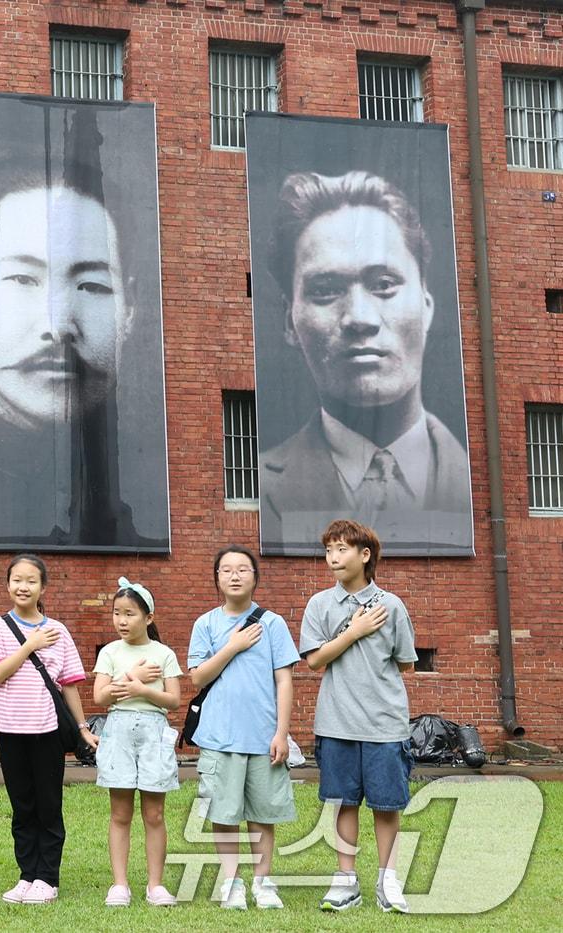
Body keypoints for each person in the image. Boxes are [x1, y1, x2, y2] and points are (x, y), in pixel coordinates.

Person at [0, 156, 157, 551]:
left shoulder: (155, 481)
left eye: (91, 286)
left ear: (129, 307)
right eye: (23, 279)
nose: (59, 327)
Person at [260, 170, 471, 553]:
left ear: (426, 306)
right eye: (325, 290)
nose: (360, 317)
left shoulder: (473, 474)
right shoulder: (262, 481)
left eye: (384, 285)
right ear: (290, 320)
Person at [299, 520, 416, 914]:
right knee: (343, 803)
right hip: (336, 723)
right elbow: (314, 660)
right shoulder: (319, 604)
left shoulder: (392, 605)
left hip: (385, 724)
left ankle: (389, 880)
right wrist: (354, 631)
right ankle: (346, 881)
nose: (333, 557)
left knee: (387, 805)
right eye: (329, 549)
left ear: (365, 555)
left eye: (342, 548)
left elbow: (405, 664)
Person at [0, 554, 97, 904]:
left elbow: (70, 685)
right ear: (8, 584)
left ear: (43, 586)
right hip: (9, 728)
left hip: (47, 729)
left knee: (48, 804)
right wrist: (29, 645)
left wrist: (82, 727)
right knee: (22, 805)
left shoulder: (58, 631)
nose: (23, 586)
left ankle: (48, 878)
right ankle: (27, 875)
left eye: (31, 580)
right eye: (17, 579)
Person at [186, 546, 300, 910]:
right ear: (216, 578)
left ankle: (263, 883)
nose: (234, 576)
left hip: (264, 737)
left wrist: (281, 732)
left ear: (255, 576)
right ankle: (231, 882)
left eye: (243, 569)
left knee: (264, 814)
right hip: (220, 736)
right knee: (224, 812)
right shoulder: (205, 624)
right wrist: (232, 646)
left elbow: (284, 680)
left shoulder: (273, 623)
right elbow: (197, 676)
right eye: (226, 570)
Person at [91, 576, 182, 908]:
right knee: (120, 813)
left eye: (129, 613)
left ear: (149, 617)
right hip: (119, 732)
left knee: (155, 814)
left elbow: (174, 700)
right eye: (117, 613)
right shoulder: (110, 652)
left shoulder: (163, 653)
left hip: (154, 734)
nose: (122, 621)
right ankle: (120, 884)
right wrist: (131, 678)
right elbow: (100, 696)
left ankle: (155, 885)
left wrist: (143, 689)